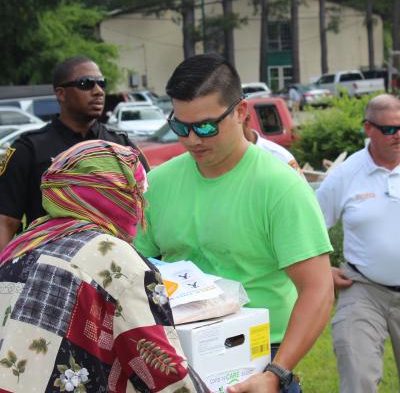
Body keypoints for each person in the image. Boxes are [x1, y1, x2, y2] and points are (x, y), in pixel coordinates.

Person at [134, 53, 334, 393]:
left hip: (259, 359)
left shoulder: (280, 187)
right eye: (180, 127)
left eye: (207, 126)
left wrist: (275, 374)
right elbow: (134, 268)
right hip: (177, 358)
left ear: (241, 112)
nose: (193, 139)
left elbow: (318, 289)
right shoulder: (160, 183)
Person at [0, 140, 208, 393]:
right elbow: (162, 371)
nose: (143, 205)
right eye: (137, 193)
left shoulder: (24, 244)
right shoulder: (116, 259)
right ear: (113, 196)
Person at [0, 56, 149, 251]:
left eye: (101, 83)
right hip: (50, 262)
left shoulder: (120, 145)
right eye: (86, 84)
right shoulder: (29, 148)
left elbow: (146, 208)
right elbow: (6, 222)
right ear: (61, 94)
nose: (98, 91)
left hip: (115, 263)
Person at [316, 93, 400, 393]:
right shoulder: (346, 174)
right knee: (356, 373)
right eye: (390, 129)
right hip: (364, 289)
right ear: (368, 128)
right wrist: (322, 271)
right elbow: (309, 227)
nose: (398, 135)